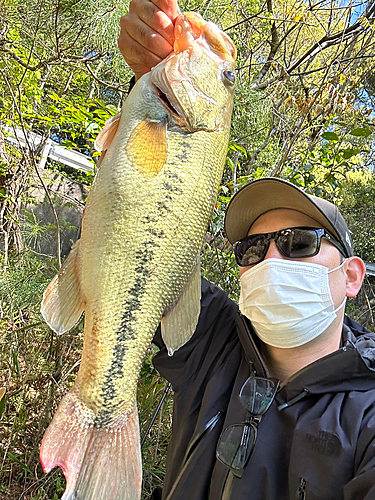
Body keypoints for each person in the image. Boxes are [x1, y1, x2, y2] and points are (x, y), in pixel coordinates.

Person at [118, 2, 375, 499]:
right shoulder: (211, 336)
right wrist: (151, 87)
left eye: (299, 243)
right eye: (254, 248)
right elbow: (141, 238)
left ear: (351, 276)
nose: (271, 260)